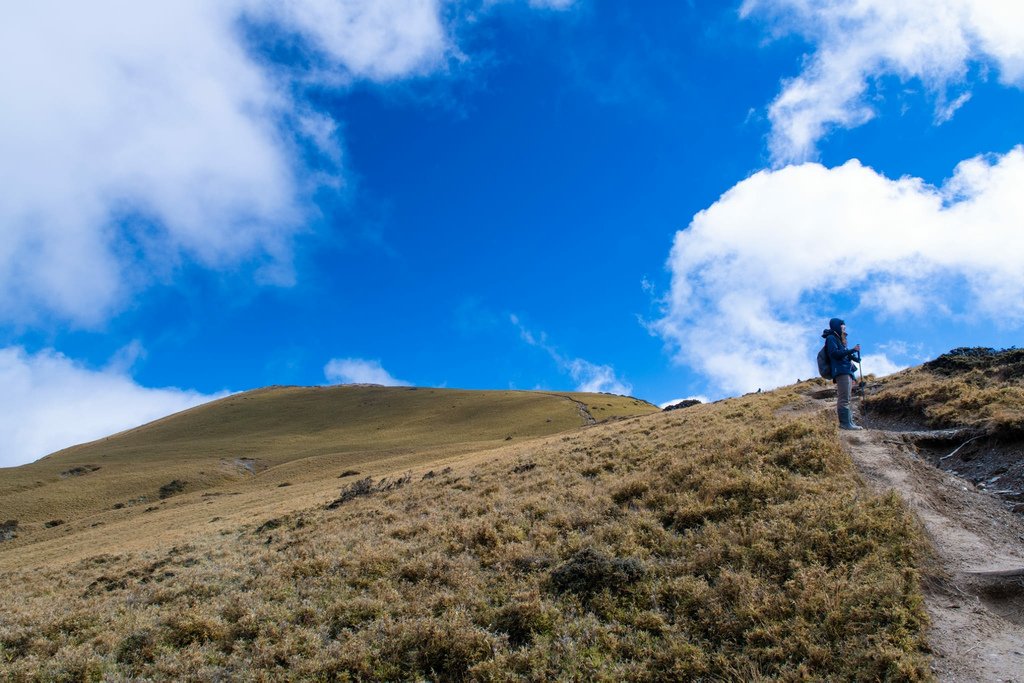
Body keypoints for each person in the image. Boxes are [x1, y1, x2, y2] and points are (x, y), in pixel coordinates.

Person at [823, 317, 862, 430]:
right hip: (841, 371)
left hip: (846, 370)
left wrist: (854, 358)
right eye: (842, 327)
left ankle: (849, 422)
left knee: (847, 398)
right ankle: (845, 424)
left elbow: (844, 354)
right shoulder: (831, 338)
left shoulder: (839, 339)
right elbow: (835, 353)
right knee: (844, 398)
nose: (844, 329)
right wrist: (852, 350)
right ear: (837, 326)